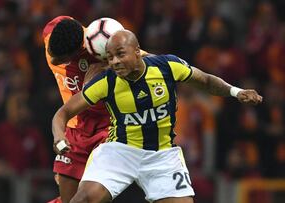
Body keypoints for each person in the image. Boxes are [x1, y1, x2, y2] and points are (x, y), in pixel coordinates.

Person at [52, 30, 263, 203]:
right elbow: (64, 113)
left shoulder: (168, 67)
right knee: (83, 200)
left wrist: (236, 92)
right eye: (110, 57)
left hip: (162, 156)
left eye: (120, 54)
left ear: (137, 52)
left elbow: (206, 81)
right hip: (120, 152)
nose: (115, 61)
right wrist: (59, 137)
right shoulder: (106, 82)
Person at [42, 16, 111, 203]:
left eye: (61, 60)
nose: (53, 61)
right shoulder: (53, 29)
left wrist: (109, 68)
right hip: (73, 128)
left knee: (93, 198)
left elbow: (141, 57)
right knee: (68, 200)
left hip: (105, 128)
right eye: (50, 53)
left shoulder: (99, 50)